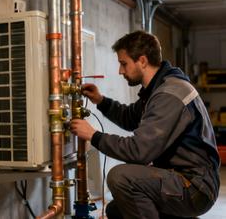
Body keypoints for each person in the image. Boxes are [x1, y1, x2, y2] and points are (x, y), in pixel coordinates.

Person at [70, 31, 219, 218]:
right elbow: (129, 117)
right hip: (182, 179)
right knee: (116, 211)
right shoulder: (157, 89)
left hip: (195, 187)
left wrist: (93, 136)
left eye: (124, 63)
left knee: (120, 177)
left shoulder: (169, 94)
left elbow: (139, 151)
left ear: (142, 60)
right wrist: (100, 100)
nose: (120, 71)